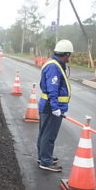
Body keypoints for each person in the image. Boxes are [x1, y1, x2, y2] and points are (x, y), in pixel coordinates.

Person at [37, 39, 73, 172]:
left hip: (48, 105)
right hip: (51, 107)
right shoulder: (54, 67)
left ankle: (43, 157)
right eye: (69, 55)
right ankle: (45, 161)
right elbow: (53, 88)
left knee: (44, 133)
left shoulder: (54, 64)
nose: (69, 58)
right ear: (66, 54)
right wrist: (55, 107)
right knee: (49, 135)